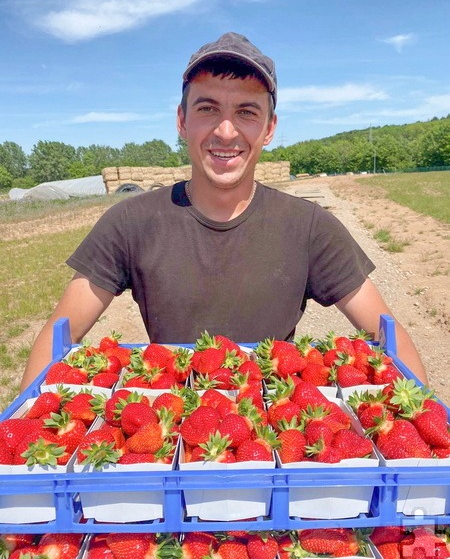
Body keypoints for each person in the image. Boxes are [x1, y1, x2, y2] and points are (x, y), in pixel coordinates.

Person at [20, 32, 428, 390]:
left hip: (272, 425)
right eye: (207, 108)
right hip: (171, 424)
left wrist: (428, 449)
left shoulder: (308, 227)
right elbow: (60, 336)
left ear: (269, 128)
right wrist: (26, 427)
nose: (226, 130)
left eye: (246, 112)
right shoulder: (130, 223)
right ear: (182, 121)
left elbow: (387, 336)